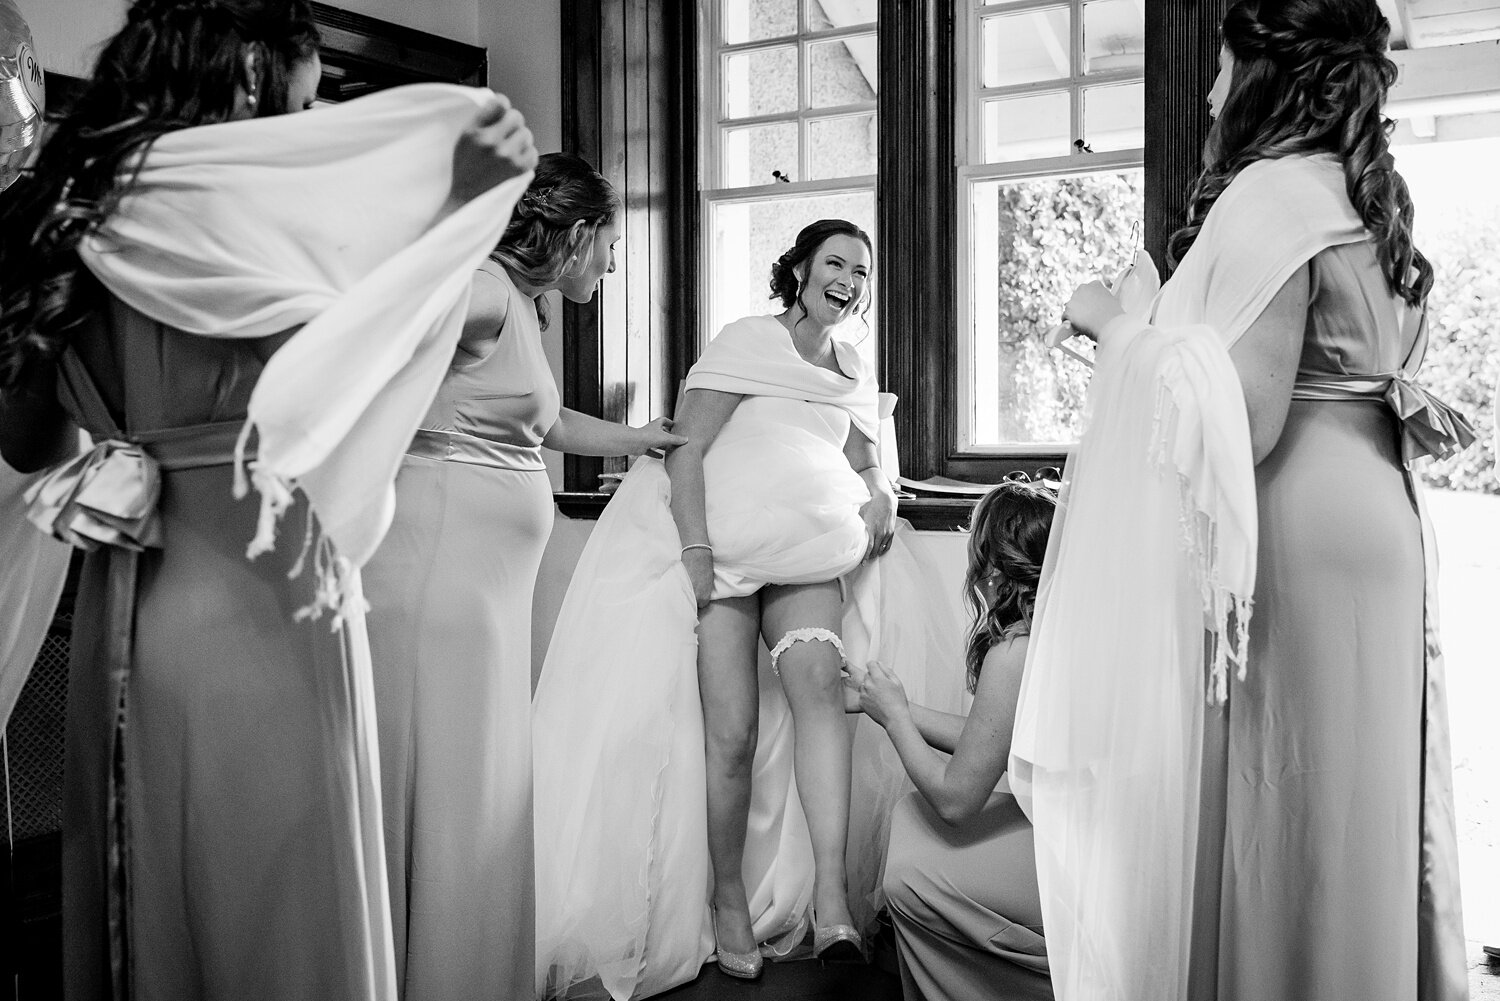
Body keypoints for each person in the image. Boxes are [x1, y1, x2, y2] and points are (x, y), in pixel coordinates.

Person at [0, 1, 538, 997]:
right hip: (273, 586)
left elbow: (26, 442)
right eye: (304, 82)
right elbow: (345, 380)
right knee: (288, 914)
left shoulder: (60, 211)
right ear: (253, 66)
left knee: (140, 890)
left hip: (126, 604)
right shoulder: (262, 215)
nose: (304, 112)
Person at [1016, 2, 1475, 999]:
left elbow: (1247, 416)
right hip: (1379, 515)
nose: (1211, 87)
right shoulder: (1364, 195)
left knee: (1292, 807)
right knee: (1362, 806)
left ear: (1270, 70)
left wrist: (1112, 322)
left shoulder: (1272, 195)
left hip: (1298, 529)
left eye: (1224, 60)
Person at [532, 219, 964, 1000]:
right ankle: (728, 901)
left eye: (862, 271)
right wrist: (695, 551)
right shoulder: (744, 341)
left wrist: (883, 494)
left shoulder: (854, 365)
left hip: (807, 558)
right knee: (730, 732)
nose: (851, 279)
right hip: (725, 558)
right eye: (836, 263)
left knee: (822, 697)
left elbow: (868, 453)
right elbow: (685, 446)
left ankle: (832, 900)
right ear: (799, 269)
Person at [359, 152, 683, 1001]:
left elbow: (542, 423)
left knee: (477, 788)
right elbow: (385, 335)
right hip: (440, 575)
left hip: (482, 591)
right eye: (609, 245)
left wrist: (641, 437)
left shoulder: (521, 308)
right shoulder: (482, 289)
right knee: (453, 789)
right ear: (575, 237)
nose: (612, 265)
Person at [847, 481, 1055, 1001]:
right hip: (1081, 828)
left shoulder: (1015, 651)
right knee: (909, 817)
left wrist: (895, 719)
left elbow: (957, 802)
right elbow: (993, 738)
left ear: (992, 565)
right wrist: (887, 702)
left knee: (907, 874)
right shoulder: (1052, 629)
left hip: (1069, 855)